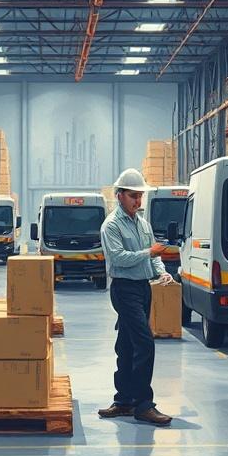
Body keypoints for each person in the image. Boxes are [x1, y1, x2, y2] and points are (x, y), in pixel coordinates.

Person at [97, 168, 175, 427]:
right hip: (123, 289)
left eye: (140, 197)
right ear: (119, 196)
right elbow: (118, 258)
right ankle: (143, 405)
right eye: (133, 196)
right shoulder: (111, 225)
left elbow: (155, 256)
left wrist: (162, 273)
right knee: (145, 343)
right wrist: (148, 253)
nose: (138, 202)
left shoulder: (143, 224)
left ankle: (123, 401)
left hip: (142, 288)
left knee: (127, 345)